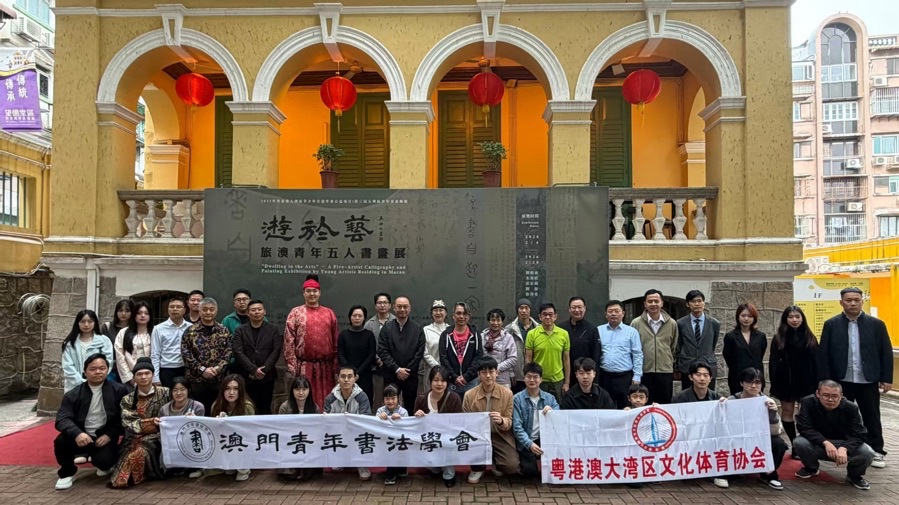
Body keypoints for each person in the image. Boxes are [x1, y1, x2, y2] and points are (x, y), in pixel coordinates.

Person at [818, 287, 892, 469]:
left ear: (862, 301)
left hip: (867, 379)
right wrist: (825, 381)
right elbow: (824, 355)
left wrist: (886, 377)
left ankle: (876, 450)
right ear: (841, 302)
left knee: (871, 415)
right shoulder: (831, 324)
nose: (852, 303)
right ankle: (844, 448)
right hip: (841, 380)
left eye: (856, 300)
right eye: (848, 300)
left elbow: (885, 351)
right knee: (841, 416)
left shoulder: (877, 324)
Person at [53, 353, 129, 490]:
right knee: (60, 441)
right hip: (80, 436)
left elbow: (123, 417)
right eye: (93, 369)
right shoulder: (73, 394)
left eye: (102, 368)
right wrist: (77, 433)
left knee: (104, 462)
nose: (98, 372)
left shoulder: (119, 390)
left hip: (103, 436)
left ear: (108, 370)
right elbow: (62, 419)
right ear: (85, 371)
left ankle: (101, 462)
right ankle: (67, 472)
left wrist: (109, 434)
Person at [793, 380, 876, 490]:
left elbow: (859, 434)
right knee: (799, 442)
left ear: (841, 395)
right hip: (819, 443)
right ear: (818, 394)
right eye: (826, 395)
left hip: (843, 443)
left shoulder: (851, 407)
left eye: (835, 396)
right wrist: (825, 442)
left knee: (867, 452)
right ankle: (811, 468)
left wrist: (845, 448)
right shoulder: (808, 402)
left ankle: (855, 475)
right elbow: (804, 427)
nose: (830, 400)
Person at [109, 357, 171, 488]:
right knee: (126, 461)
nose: (143, 377)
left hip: (159, 437)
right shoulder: (127, 399)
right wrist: (152, 422)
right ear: (134, 377)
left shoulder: (166, 393)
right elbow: (128, 421)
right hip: (134, 438)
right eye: (139, 374)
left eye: (147, 373)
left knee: (140, 454)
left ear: (153, 375)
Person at [725, 367, 787, 490]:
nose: (753, 386)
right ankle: (725, 473)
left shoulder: (768, 402)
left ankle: (769, 474)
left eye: (757, 382)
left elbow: (776, 431)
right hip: (738, 439)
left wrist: (773, 414)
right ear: (741, 383)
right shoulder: (732, 401)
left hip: (759, 439)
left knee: (779, 443)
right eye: (749, 382)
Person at [284, 274, 340, 411]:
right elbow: (289, 341)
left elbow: (336, 341)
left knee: (327, 402)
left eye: (315, 291)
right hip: (304, 366)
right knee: (303, 401)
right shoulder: (296, 313)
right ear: (303, 293)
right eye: (308, 291)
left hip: (325, 368)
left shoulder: (329, 313)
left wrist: (335, 367)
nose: (312, 294)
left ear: (319, 293)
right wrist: (292, 366)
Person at [462, 357, 519, 483]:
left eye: (491, 372)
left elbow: (509, 421)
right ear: (478, 375)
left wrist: (502, 421)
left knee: (511, 466)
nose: (488, 376)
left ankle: (495, 461)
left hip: (499, 435)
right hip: (478, 436)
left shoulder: (507, 393)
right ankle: (477, 468)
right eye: (483, 372)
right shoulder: (469, 395)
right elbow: (465, 421)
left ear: (497, 373)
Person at [768, 305, 818, 448]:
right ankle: (794, 443)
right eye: (790, 317)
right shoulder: (779, 338)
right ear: (785, 319)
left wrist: (818, 382)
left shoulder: (810, 337)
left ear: (802, 318)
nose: (794, 320)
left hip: (807, 380)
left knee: (805, 413)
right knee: (787, 411)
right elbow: (773, 362)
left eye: (797, 316)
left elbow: (817, 362)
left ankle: (805, 443)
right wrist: (775, 381)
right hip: (786, 380)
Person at [413, 366, 463, 487]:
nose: (439, 384)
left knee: (448, 445)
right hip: (429, 437)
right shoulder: (421, 398)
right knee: (433, 468)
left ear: (447, 382)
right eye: (436, 380)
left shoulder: (454, 398)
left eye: (443, 380)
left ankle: (449, 473)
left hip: (448, 437)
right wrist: (417, 415)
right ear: (430, 381)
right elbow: (415, 424)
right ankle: (435, 466)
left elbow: (459, 422)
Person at [181, 297, 232, 414]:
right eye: (204, 309)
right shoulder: (190, 331)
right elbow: (186, 353)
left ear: (216, 311)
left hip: (218, 379)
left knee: (218, 411)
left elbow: (228, 352)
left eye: (211, 309)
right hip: (196, 380)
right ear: (199, 311)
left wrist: (217, 369)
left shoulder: (224, 331)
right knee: (198, 412)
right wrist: (202, 370)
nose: (208, 312)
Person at [232, 299, 283, 415]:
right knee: (247, 407)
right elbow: (238, 351)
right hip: (246, 376)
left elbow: (276, 350)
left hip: (267, 376)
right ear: (247, 313)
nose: (256, 312)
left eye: (259, 309)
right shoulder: (240, 330)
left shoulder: (273, 329)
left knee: (265, 407)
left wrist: (264, 369)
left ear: (264, 311)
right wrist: (253, 369)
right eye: (253, 310)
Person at [323, 365, 373, 481]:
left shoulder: (362, 397)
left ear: (356, 378)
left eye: (350, 376)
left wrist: (350, 420)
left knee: (365, 434)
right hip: (339, 432)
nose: (346, 380)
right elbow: (327, 422)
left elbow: (366, 420)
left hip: (356, 432)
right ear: (337, 378)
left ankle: (362, 463)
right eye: (343, 376)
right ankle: (340, 459)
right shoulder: (330, 398)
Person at [512, 362, 560, 478]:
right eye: (528, 377)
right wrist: (529, 444)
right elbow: (517, 427)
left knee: (555, 470)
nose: (532, 380)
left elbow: (560, 417)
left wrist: (552, 412)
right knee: (529, 472)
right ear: (524, 379)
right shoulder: (517, 399)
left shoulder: (550, 398)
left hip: (546, 440)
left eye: (535, 377)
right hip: (527, 441)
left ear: (541, 379)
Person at [377, 296, 425, 409]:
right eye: (399, 306)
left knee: (411, 407)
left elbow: (420, 351)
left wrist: (407, 370)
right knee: (390, 407)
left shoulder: (417, 328)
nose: (402, 309)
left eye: (405, 306)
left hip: (410, 375)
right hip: (391, 374)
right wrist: (397, 369)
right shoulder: (386, 329)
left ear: (410, 308)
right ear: (394, 308)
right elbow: (383, 351)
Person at [630, 289, 677, 404]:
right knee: (643, 404)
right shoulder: (636, 323)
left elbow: (673, 346)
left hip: (664, 371)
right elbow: (632, 348)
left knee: (664, 404)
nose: (653, 304)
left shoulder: (672, 323)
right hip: (644, 371)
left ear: (662, 303)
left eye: (656, 301)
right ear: (645, 304)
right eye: (650, 301)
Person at [208, 374, 256, 481]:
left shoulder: (247, 406)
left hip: (242, 441)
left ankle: (244, 468)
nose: (231, 392)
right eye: (227, 389)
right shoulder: (216, 405)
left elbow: (249, 431)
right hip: (224, 440)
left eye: (235, 389)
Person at [597, 300, 643, 408]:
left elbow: (637, 355)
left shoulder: (632, 332)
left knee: (625, 407)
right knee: (605, 407)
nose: (613, 314)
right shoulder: (598, 330)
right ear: (606, 314)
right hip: (604, 376)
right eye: (610, 311)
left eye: (616, 311)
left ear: (623, 313)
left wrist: (637, 376)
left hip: (624, 377)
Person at [277, 376, 322, 481]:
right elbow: (280, 428)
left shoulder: (314, 407)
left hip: (308, 441)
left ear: (309, 391)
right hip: (290, 440)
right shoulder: (285, 407)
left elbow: (317, 429)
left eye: (304, 389)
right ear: (292, 391)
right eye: (297, 389)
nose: (301, 392)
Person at [525, 302, 571, 402]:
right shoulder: (532, 334)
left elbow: (566, 359)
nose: (547, 317)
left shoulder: (564, 334)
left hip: (558, 380)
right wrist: (530, 378)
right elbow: (528, 358)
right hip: (538, 379)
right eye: (544, 314)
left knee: (557, 407)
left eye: (550, 314)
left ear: (555, 316)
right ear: (540, 317)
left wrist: (567, 382)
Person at [675, 290, 720, 391]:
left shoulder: (714, 323)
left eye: (699, 301)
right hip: (688, 366)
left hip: (708, 366)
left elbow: (713, 344)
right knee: (687, 396)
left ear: (704, 303)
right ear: (687, 304)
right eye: (693, 301)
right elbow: (680, 344)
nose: (697, 304)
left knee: (708, 396)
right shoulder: (680, 323)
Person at [159, 377, 204, 478]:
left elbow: (202, 429)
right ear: (171, 392)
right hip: (171, 442)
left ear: (188, 390)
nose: (179, 393)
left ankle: (197, 467)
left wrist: (194, 420)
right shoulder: (164, 409)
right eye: (175, 390)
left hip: (190, 439)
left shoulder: (197, 406)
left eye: (182, 389)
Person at [61, 310, 115, 392]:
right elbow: (67, 366)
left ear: (95, 322)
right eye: (82, 321)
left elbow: (108, 362)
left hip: (98, 384)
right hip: (74, 386)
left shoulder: (104, 341)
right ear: (77, 323)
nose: (86, 324)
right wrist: (81, 382)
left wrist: (94, 380)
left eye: (90, 321)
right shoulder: (69, 343)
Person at [722, 303, 768, 395]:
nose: (746, 319)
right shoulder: (731, 336)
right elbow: (728, 356)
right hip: (738, 377)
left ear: (754, 318)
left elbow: (760, 354)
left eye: (750, 316)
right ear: (738, 317)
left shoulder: (761, 336)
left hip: (756, 377)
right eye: (743, 316)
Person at [439, 302, 483, 395]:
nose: (461, 316)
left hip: (471, 381)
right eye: (458, 313)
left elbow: (478, 357)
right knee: (452, 404)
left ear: (469, 316)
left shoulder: (475, 334)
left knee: (471, 405)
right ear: (453, 316)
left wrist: (467, 376)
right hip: (452, 382)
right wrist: (454, 377)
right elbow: (443, 358)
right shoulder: (445, 335)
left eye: (464, 313)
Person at [558, 297, 601, 389]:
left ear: (584, 308)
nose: (577, 310)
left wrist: (595, 380)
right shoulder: (561, 328)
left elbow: (596, 354)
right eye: (574, 307)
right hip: (565, 375)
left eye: (579, 307)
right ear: (569, 309)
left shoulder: (592, 329)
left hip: (585, 374)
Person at [338, 305, 377, 405]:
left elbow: (371, 355)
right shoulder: (343, 334)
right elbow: (340, 354)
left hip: (364, 375)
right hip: (347, 376)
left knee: (365, 402)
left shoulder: (369, 335)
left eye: (360, 316)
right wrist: (350, 372)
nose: (357, 318)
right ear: (350, 317)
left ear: (364, 318)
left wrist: (357, 373)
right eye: (354, 315)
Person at [150, 297, 192, 388]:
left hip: (186, 368)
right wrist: (155, 377)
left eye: (178, 307)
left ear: (184, 310)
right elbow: (155, 354)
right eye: (172, 307)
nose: (175, 309)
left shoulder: (191, 327)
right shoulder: (158, 329)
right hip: (166, 369)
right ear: (168, 310)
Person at [365, 292, 395, 408]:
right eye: (379, 303)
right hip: (376, 367)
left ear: (390, 305)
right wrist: (377, 359)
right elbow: (368, 346)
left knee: (393, 395)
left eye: (385, 302)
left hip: (393, 366)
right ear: (375, 305)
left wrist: (389, 360)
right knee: (377, 397)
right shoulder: (369, 324)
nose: (382, 305)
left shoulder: (396, 321)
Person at [114, 301, 154, 388]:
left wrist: (153, 376)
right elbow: (120, 356)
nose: (143, 315)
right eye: (139, 313)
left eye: (146, 313)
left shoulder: (155, 332)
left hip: (152, 377)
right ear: (134, 315)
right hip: (131, 376)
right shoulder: (123, 332)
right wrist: (130, 378)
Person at [377, 384, 409, 485]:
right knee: (390, 454)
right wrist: (379, 418)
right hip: (386, 440)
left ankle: (401, 469)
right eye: (387, 399)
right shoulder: (380, 411)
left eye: (393, 398)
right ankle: (390, 475)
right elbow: (374, 425)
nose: (390, 401)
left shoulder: (403, 412)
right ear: (383, 400)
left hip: (399, 440)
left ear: (398, 398)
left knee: (401, 461)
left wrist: (400, 420)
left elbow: (408, 427)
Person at [505, 298, 538, 393]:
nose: (524, 311)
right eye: (521, 308)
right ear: (517, 310)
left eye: (526, 308)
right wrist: (511, 372)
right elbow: (506, 352)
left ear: (530, 310)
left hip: (534, 374)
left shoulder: (538, 328)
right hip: (516, 374)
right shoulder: (509, 329)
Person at [480, 308, 518, 388]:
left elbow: (513, 358)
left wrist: (496, 368)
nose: (495, 323)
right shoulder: (482, 337)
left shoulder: (508, 338)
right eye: (493, 320)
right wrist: (486, 369)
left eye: (498, 320)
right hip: (485, 377)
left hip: (502, 379)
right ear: (489, 321)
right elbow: (478, 356)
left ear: (502, 322)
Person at [100, 299, 134, 384]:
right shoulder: (107, 327)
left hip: (130, 368)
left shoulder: (135, 329)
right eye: (120, 310)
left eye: (127, 311)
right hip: (112, 368)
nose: (123, 313)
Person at [420, 300, 448, 394]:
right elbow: (425, 352)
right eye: (435, 310)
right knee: (430, 395)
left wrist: (445, 368)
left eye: (441, 310)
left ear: (446, 313)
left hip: (447, 370)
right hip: (430, 370)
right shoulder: (426, 330)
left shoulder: (450, 330)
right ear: (432, 313)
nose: (438, 313)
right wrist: (437, 367)